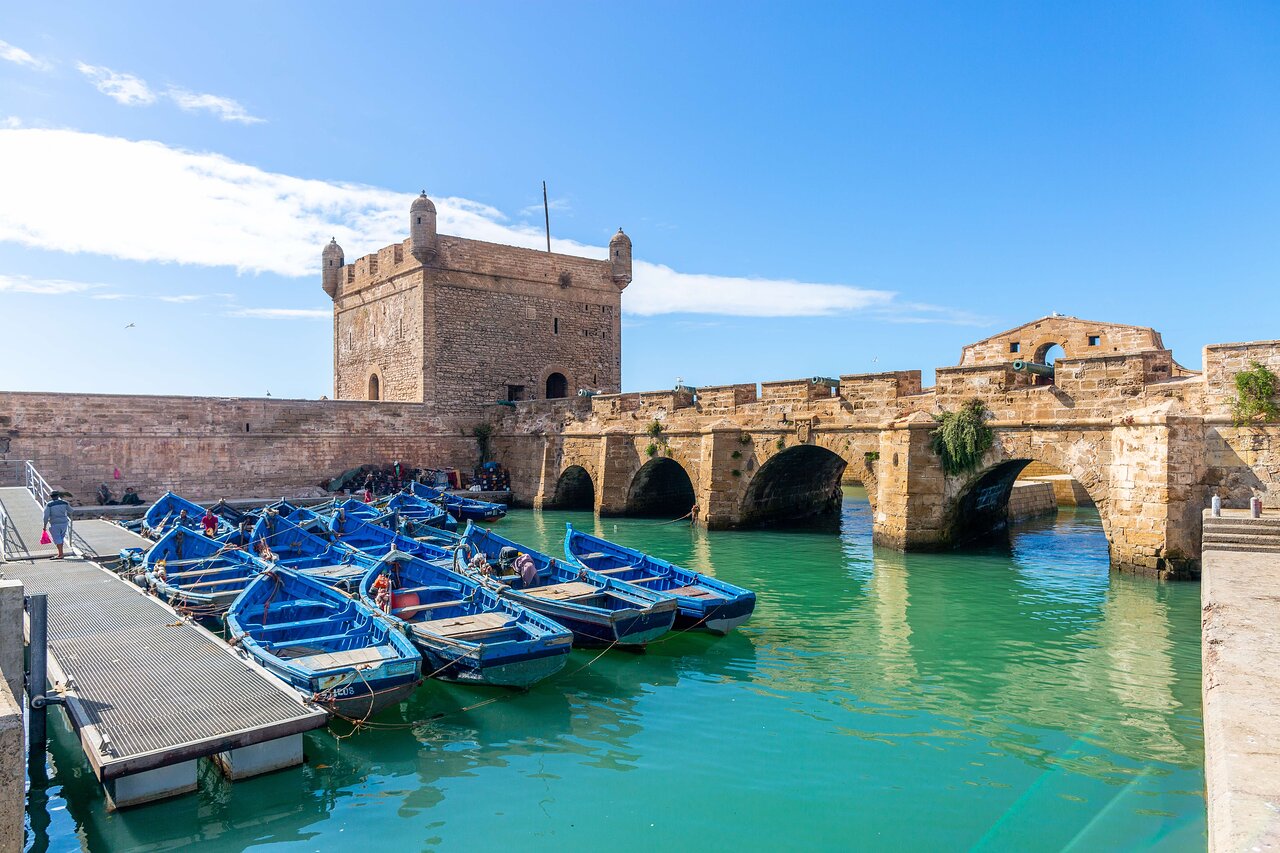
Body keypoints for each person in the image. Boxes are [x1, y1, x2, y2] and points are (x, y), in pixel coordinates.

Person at [41, 490, 73, 560]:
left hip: (55, 523)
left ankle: (60, 554)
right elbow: (71, 511)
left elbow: (45, 516)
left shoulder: (49, 504)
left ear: (51, 497)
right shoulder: (65, 502)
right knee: (61, 538)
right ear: (58, 496)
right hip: (64, 523)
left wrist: (44, 526)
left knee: (57, 539)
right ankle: (60, 553)